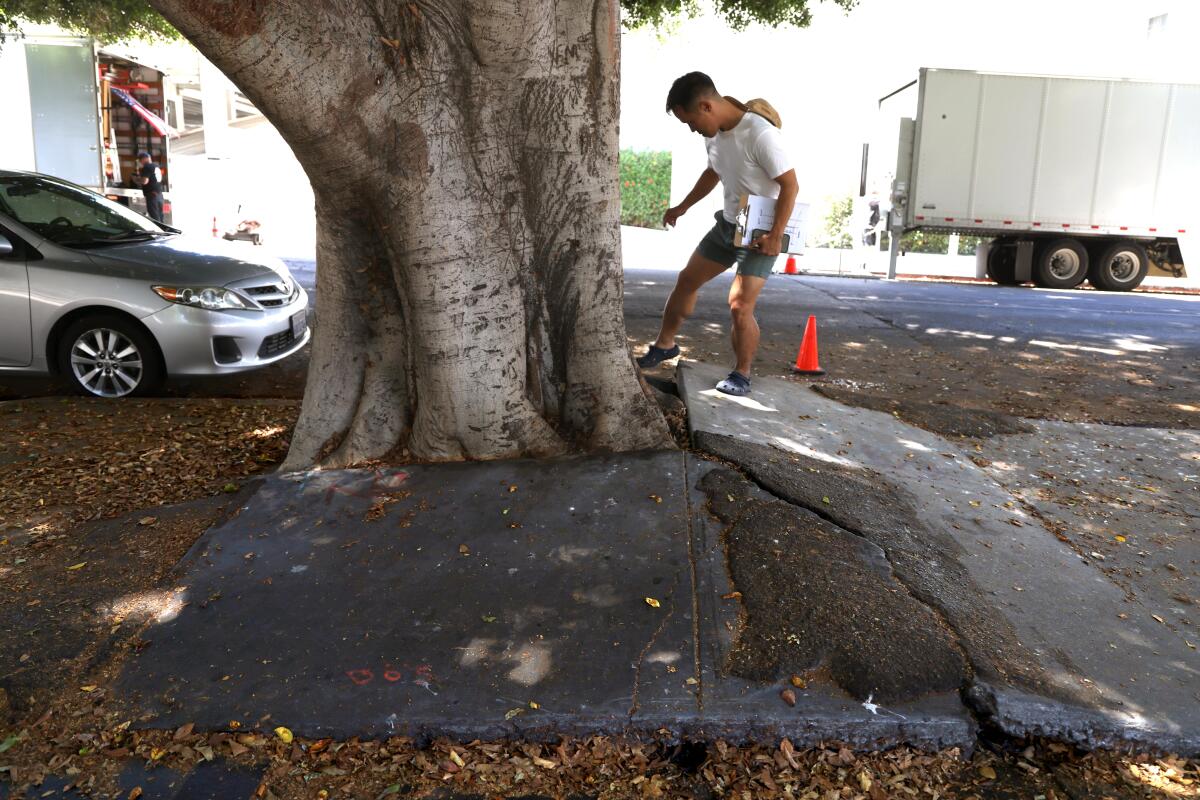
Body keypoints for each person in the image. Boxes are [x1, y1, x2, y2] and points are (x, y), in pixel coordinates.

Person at [636, 72, 797, 396]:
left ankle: (742, 373)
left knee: (739, 304)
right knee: (687, 280)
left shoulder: (760, 135)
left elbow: (790, 185)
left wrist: (776, 235)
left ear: (706, 106)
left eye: (690, 121)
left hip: (760, 232)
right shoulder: (714, 135)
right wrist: (682, 206)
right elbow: (714, 171)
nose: (692, 129)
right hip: (727, 225)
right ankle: (665, 345)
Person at [135, 151, 164, 223]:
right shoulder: (156, 166)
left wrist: (138, 179)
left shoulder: (147, 167)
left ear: (145, 159)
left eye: (141, 160)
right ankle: (164, 231)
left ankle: (159, 233)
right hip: (159, 194)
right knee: (160, 216)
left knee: (155, 217)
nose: (141, 162)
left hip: (152, 195)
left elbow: (145, 181)